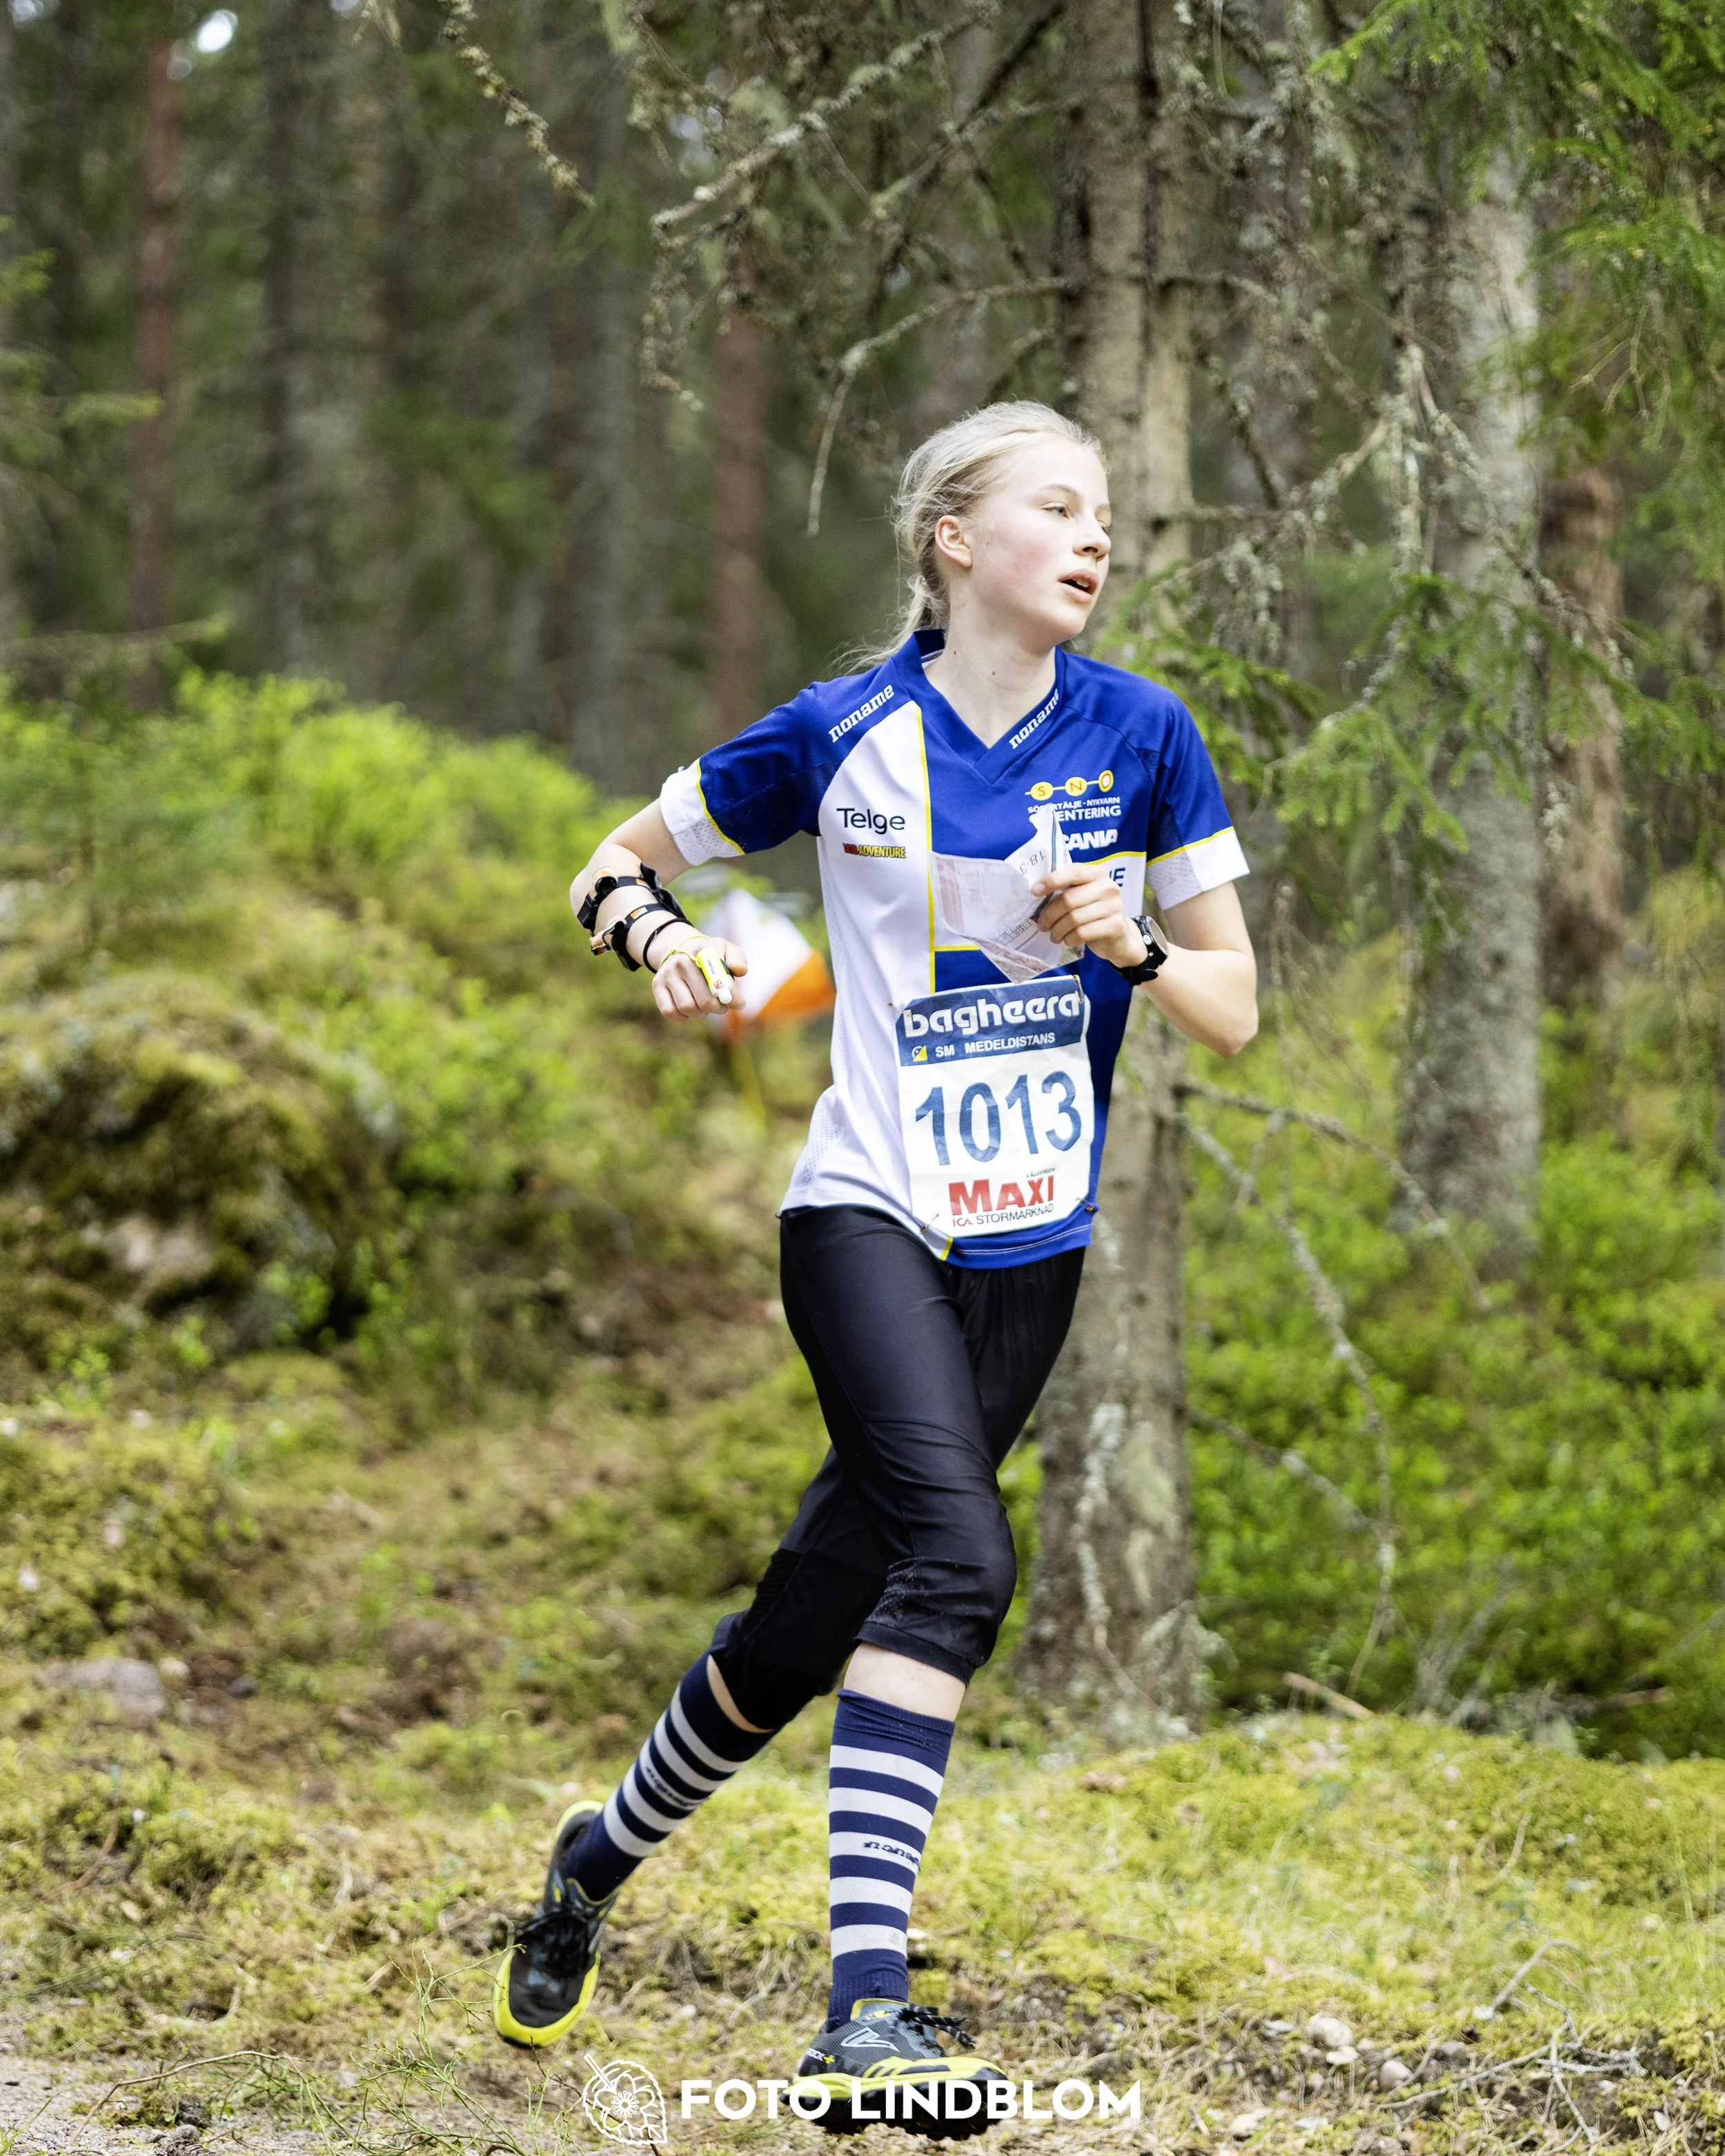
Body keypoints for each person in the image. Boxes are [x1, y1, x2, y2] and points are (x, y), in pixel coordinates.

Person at [493, 401, 1258, 2133]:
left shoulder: (1143, 733)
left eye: (1106, 513)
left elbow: (1231, 1003)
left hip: (1031, 1241)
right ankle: (862, 2018)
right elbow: (608, 865)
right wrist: (663, 940)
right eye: (1056, 506)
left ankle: (591, 1860)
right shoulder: (838, 732)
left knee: (808, 1618)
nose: (1094, 535)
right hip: (864, 1210)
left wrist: (1132, 940)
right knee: (959, 1560)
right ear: (950, 538)